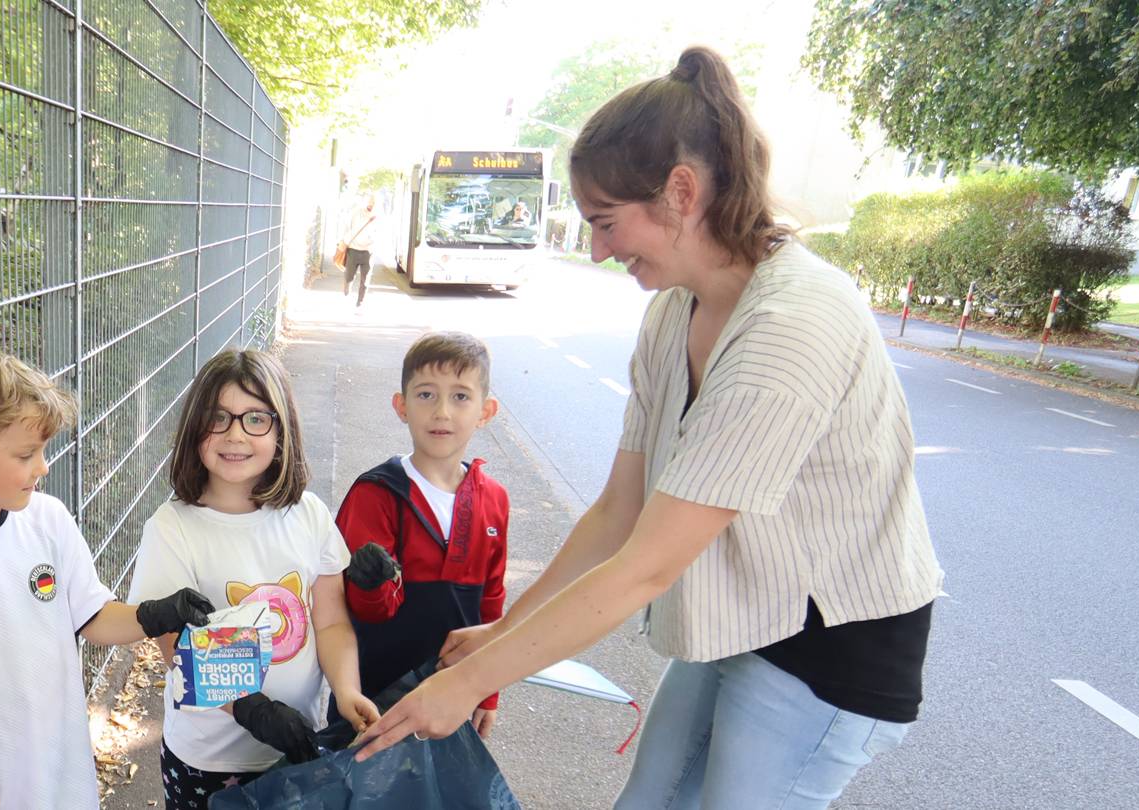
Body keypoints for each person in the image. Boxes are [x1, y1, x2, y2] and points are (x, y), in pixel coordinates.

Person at [354, 45, 943, 810]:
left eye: (605, 221)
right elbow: (618, 514)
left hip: (834, 648)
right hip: (741, 609)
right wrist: (500, 635)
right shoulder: (671, 313)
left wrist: (472, 682)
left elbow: (645, 568)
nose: (596, 249)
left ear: (682, 192)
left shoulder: (792, 325)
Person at [0, 347, 214, 810]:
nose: (43, 466)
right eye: (27, 453)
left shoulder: (47, 520)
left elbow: (92, 616)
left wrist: (157, 614)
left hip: (66, 779)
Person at [128, 349, 381, 810]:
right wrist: (251, 708)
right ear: (194, 430)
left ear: (281, 430)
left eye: (255, 420)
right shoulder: (173, 528)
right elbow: (173, 645)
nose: (235, 435)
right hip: (207, 760)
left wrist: (347, 690)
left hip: (295, 749)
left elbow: (329, 621)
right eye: (218, 418)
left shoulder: (310, 515)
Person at [333, 331, 508, 738]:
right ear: (402, 406)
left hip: (453, 698)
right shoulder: (376, 493)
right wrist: (371, 582)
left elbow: (491, 601)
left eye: (461, 396)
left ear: (486, 410)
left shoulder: (494, 499)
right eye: (426, 394)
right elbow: (364, 610)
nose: (442, 411)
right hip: (375, 699)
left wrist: (487, 692)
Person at [340, 196, 378, 307]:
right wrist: (344, 240)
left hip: (368, 252)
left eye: (374, 202)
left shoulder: (378, 217)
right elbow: (347, 227)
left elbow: (380, 234)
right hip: (353, 249)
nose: (371, 204)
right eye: (370, 201)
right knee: (349, 276)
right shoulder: (356, 212)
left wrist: (374, 241)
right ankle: (347, 290)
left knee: (365, 280)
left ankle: (360, 302)